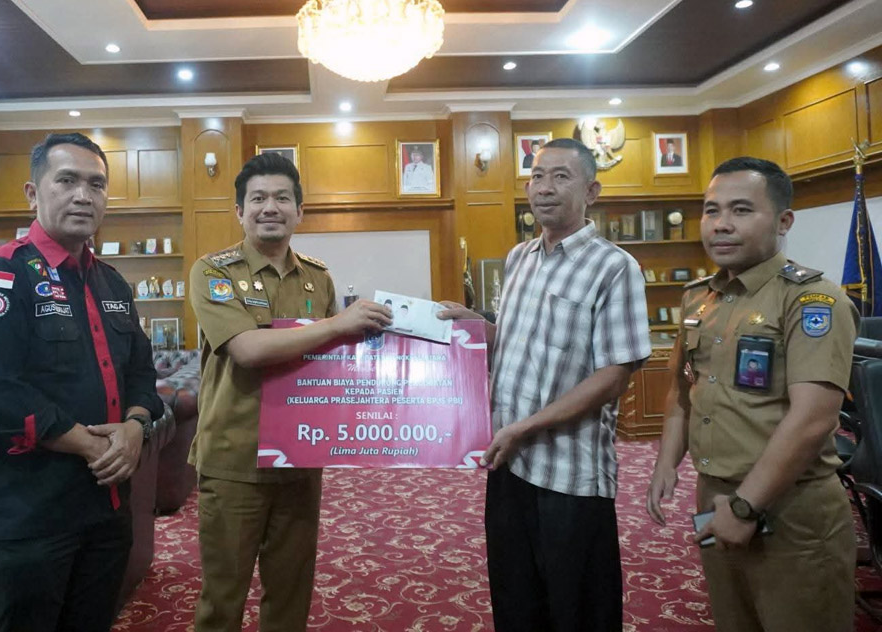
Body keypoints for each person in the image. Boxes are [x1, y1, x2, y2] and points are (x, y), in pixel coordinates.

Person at [0, 132, 163, 632]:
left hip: (107, 509)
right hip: (27, 518)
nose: (83, 195)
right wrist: (91, 445)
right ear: (33, 193)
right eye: (67, 181)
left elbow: (141, 372)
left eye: (96, 184)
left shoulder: (112, 281)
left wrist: (136, 427)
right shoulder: (1, 275)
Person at [439, 137, 651, 631]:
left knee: (576, 612)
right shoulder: (519, 258)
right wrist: (477, 328)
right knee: (517, 602)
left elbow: (613, 376)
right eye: (536, 176)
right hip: (508, 463)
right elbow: (514, 342)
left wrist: (525, 427)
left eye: (561, 176)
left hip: (569, 474)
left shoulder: (614, 267)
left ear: (591, 191)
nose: (544, 188)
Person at [646, 157, 858, 632]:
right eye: (712, 210)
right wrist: (666, 461)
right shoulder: (697, 298)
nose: (721, 224)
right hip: (713, 497)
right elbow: (683, 387)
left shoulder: (812, 300)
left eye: (741, 210)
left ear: (784, 221)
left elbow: (814, 419)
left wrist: (745, 506)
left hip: (789, 507)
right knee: (733, 618)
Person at [188, 152, 392, 632]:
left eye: (282, 198)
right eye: (258, 198)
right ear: (239, 211)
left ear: (300, 211)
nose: (270, 207)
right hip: (234, 460)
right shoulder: (213, 272)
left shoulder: (317, 277)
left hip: (299, 460)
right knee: (222, 600)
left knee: (290, 596)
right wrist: (338, 324)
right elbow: (248, 350)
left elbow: (328, 363)